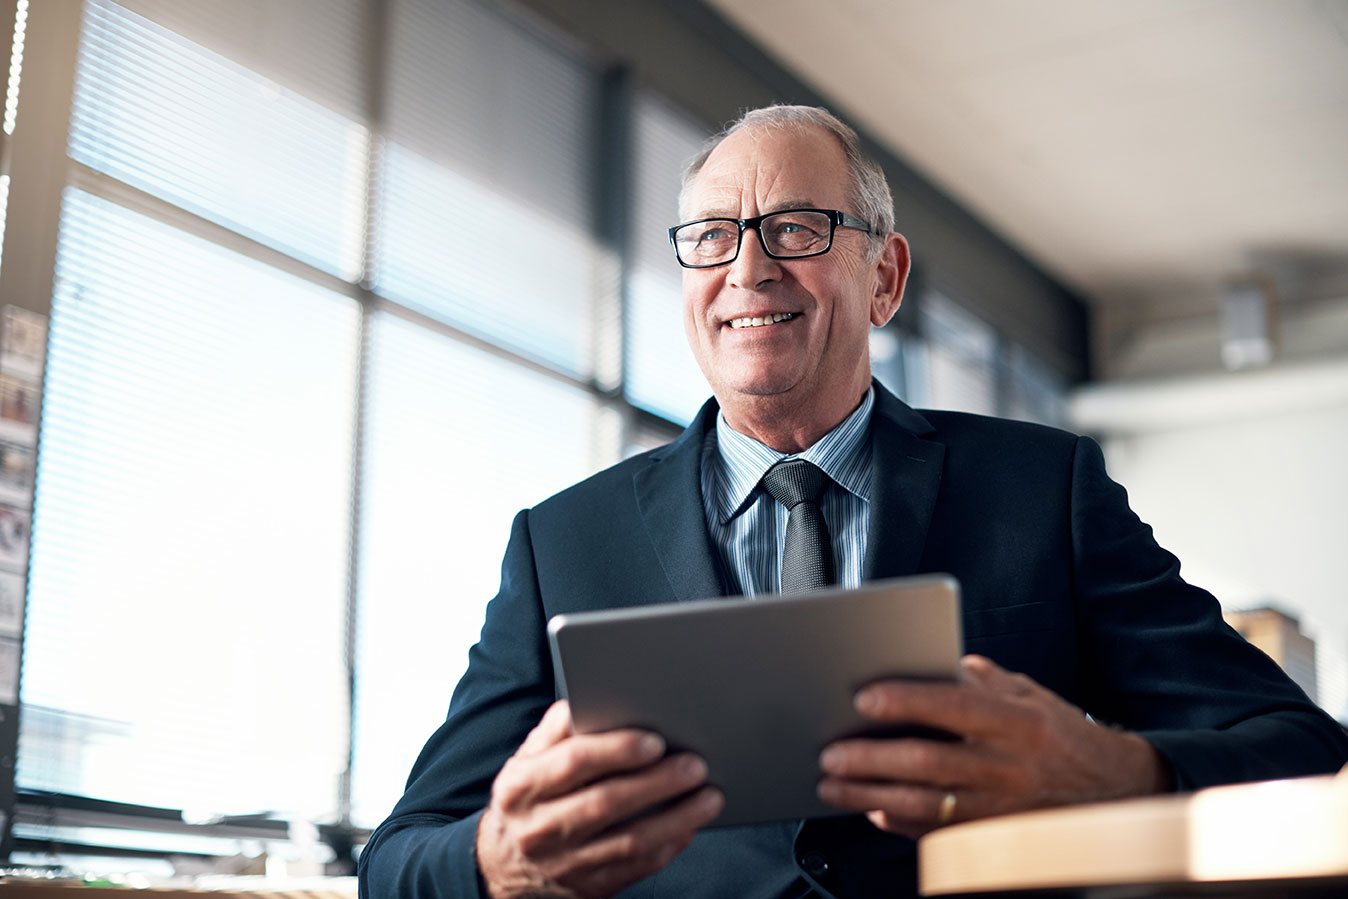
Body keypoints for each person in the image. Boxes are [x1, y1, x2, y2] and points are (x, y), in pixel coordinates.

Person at [358, 105, 1348, 899]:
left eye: (794, 227)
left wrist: (1111, 769)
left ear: (885, 275)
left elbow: (1303, 748)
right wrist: (498, 860)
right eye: (710, 236)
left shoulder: (1044, 487)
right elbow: (397, 857)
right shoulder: (561, 540)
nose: (748, 268)